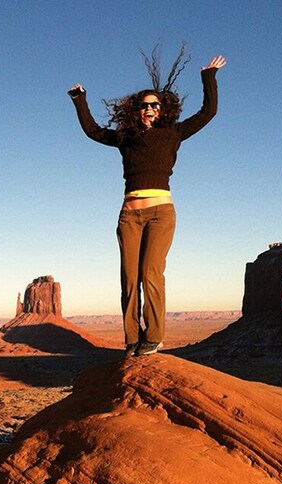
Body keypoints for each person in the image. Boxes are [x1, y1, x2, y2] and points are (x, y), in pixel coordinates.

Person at [68, 51, 226, 357]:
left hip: (161, 213)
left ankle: (153, 337)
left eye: (154, 104)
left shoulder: (173, 133)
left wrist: (208, 77)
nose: (149, 109)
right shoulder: (125, 138)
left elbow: (208, 112)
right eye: (144, 105)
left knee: (151, 274)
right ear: (135, 110)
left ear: (162, 109)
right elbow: (92, 130)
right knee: (129, 277)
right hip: (130, 215)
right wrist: (79, 99)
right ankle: (132, 339)